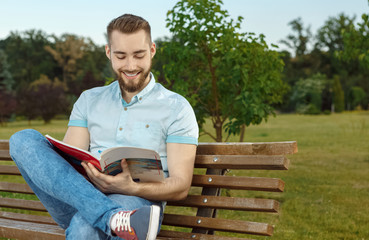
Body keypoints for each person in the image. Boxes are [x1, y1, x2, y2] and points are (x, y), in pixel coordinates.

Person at [9, 14, 198, 240]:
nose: (130, 65)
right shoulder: (89, 100)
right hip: (79, 197)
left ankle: (112, 218)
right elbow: (68, 166)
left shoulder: (176, 108)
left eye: (139, 55)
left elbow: (180, 185)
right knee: (22, 139)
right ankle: (112, 218)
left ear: (152, 50)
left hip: (137, 203)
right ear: (109, 53)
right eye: (121, 56)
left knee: (85, 227)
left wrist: (131, 187)